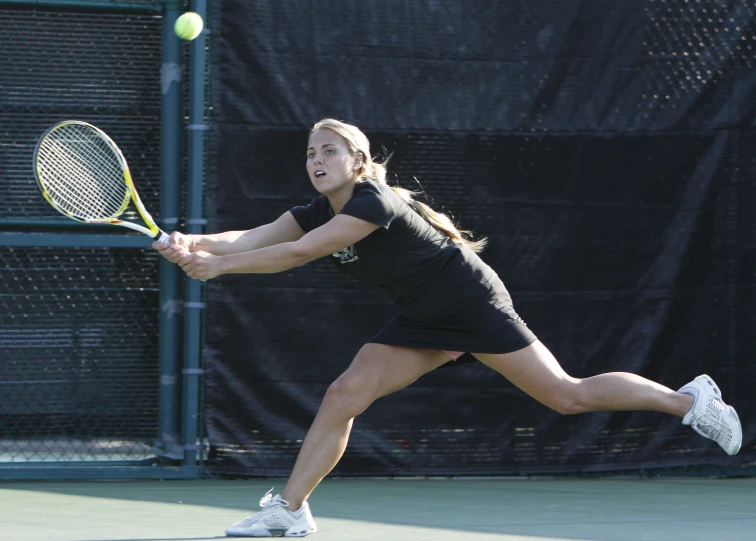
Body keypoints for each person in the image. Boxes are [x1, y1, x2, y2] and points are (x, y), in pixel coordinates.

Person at [153, 118, 743, 538]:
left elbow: (301, 253)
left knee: (567, 395)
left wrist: (220, 267)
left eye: (329, 150)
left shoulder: (373, 202)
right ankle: (290, 510)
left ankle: (688, 399)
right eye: (311, 152)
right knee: (344, 395)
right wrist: (192, 242)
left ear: (357, 162)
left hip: (468, 302)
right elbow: (254, 238)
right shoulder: (313, 210)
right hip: (421, 316)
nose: (316, 160)